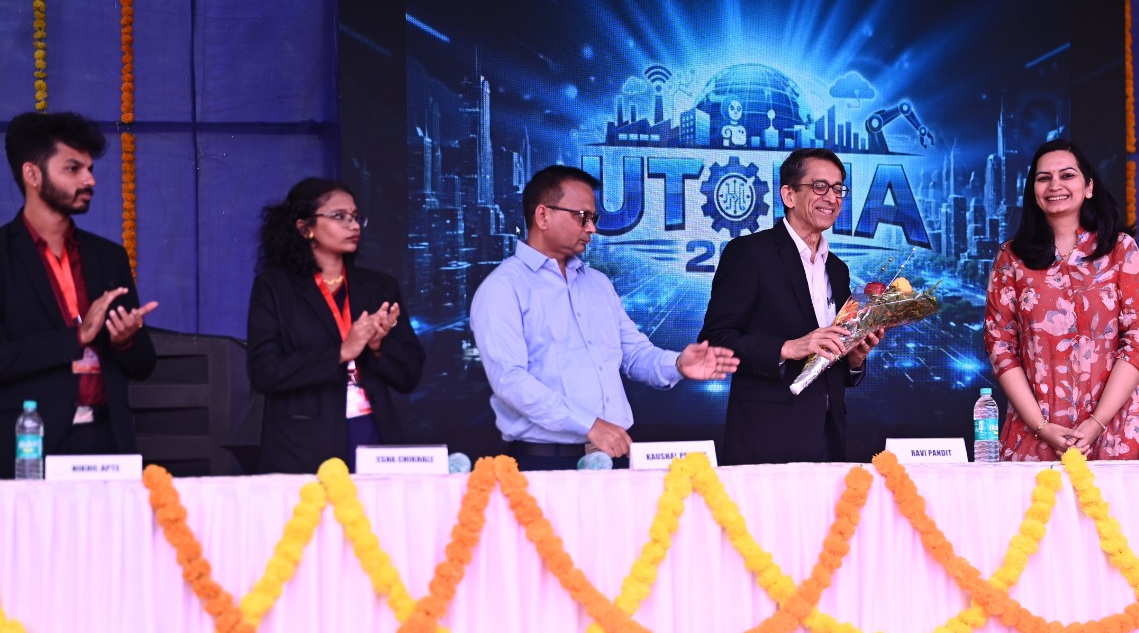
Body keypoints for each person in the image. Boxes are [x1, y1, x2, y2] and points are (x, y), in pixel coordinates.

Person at [471, 164, 738, 471]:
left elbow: (635, 355)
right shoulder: (503, 288)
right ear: (543, 216)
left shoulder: (598, 284)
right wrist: (590, 425)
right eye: (581, 217)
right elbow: (510, 380)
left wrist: (678, 365)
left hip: (614, 457)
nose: (592, 229)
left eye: (593, 218)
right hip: (546, 463)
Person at [698, 147, 883, 465]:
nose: (832, 197)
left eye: (838, 188)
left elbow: (827, 365)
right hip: (767, 440)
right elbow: (714, 341)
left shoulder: (837, 270)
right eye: (820, 186)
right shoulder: (750, 254)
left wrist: (854, 358)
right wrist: (788, 348)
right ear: (789, 195)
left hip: (830, 440)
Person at [1, 111, 158, 474]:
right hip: (27, 443)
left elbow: (144, 365)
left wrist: (125, 341)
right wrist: (77, 337)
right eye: (73, 169)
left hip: (107, 441)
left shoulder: (108, 256)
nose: (90, 180)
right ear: (32, 175)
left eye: (90, 168)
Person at [982, 138, 1139, 461]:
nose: (1055, 185)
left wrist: (1096, 423)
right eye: (1044, 178)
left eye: (1067, 175)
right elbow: (1000, 346)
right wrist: (1041, 427)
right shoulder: (1011, 258)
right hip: (1036, 433)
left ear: (1088, 187)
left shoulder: (1120, 249)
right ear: (1033, 192)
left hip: (1116, 431)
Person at [246, 177, 425, 474]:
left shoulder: (379, 287)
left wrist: (378, 346)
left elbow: (409, 376)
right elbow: (264, 373)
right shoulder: (274, 288)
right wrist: (342, 352)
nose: (353, 225)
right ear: (305, 227)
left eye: (355, 217)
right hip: (302, 444)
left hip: (372, 432)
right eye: (339, 216)